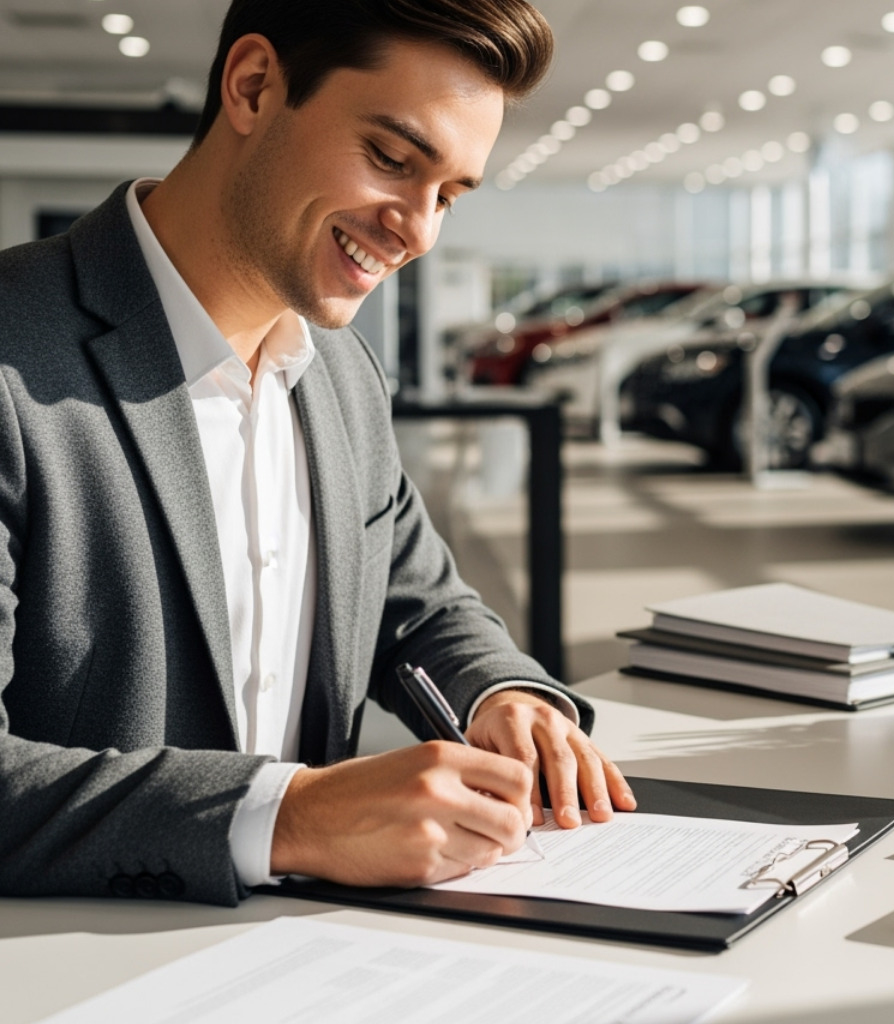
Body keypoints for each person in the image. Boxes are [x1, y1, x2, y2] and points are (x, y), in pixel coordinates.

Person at [0, 0, 635, 906]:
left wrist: (505, 697)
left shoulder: (341, 374)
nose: (417, 230)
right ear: (254, 86)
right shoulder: (15, 360)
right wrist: (291, 814)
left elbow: (415, 607)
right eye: (391, 159)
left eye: (449, 193)